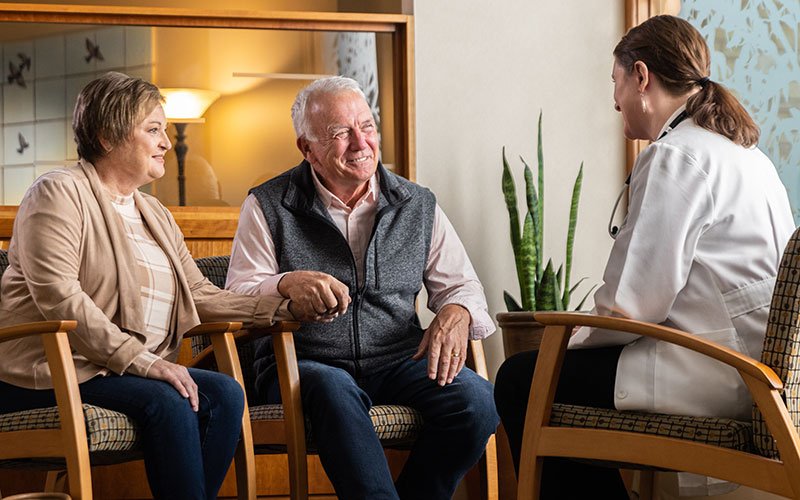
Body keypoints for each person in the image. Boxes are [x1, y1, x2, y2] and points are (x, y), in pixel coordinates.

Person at [494, 14, 796, 499]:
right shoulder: (745, 154)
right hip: (760, 370)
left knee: (519, 380)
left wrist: (572, 336)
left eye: (615, 83)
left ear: (641, 76)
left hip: (716, 370)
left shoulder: (676, 155)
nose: (614, 101)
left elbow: (632, 306)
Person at [0, 72, 284, 500]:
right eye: (153, 130)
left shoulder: (154, 212)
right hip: (50, 374)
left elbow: (201, 295)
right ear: (106, 136)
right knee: (168, 400)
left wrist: (282, 307)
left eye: (165, 131)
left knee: (225, 393)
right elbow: (60, 295)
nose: (166, 142)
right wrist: (146, 363)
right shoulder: (59, 192)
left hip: (117, 373)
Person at [226, 76, 499, 500]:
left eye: (367, 127)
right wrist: (285, 285)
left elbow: (463, 285)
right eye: (340, 133)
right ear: (307, 148)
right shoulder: (267, 204)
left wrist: (456, 312)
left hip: (397, 360)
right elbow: (237, 296)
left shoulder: (416, 203)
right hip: (305, 364)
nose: (360, 143)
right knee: (335, 391)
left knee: (477, 401)